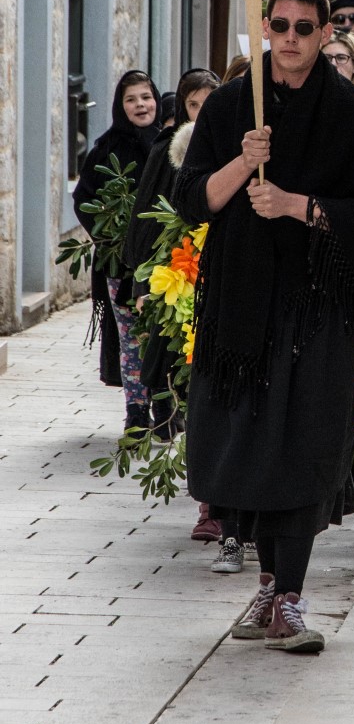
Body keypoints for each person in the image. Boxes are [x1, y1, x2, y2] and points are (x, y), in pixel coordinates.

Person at [173, 0, 354, 654]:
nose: (293, 38)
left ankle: (290, 598)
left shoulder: (351, 115)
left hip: (317, 308)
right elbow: (193, 201)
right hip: (241, 308)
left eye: (307, 27)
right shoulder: (234, 105)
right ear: (265, 29)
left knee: (304, 446)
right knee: (248, 449)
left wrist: (299, 205)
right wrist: (246, 161)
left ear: (327, 33)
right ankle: (268, 585)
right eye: (282, 25)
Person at [123, 68, 221, 445]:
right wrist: (144, 278)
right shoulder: (168, 148)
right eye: (193, 105)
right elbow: (147, 216)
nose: (201, 112)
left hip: (212, 263)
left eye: (208, 103)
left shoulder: (230, 145)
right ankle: (165, 412)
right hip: (174, 265)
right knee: (167, 347)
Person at [73, 70, 162, 429]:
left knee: (164, 336)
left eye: (145, 97)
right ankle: (137, 412)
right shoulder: (106, 149)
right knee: (132, 338)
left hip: (167, 263)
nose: (140, 105)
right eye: (131, 99)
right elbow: (84, 198)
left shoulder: (169, 143)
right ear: (120, 106)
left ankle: (167, 410)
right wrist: (109, 237)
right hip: (121, 266)